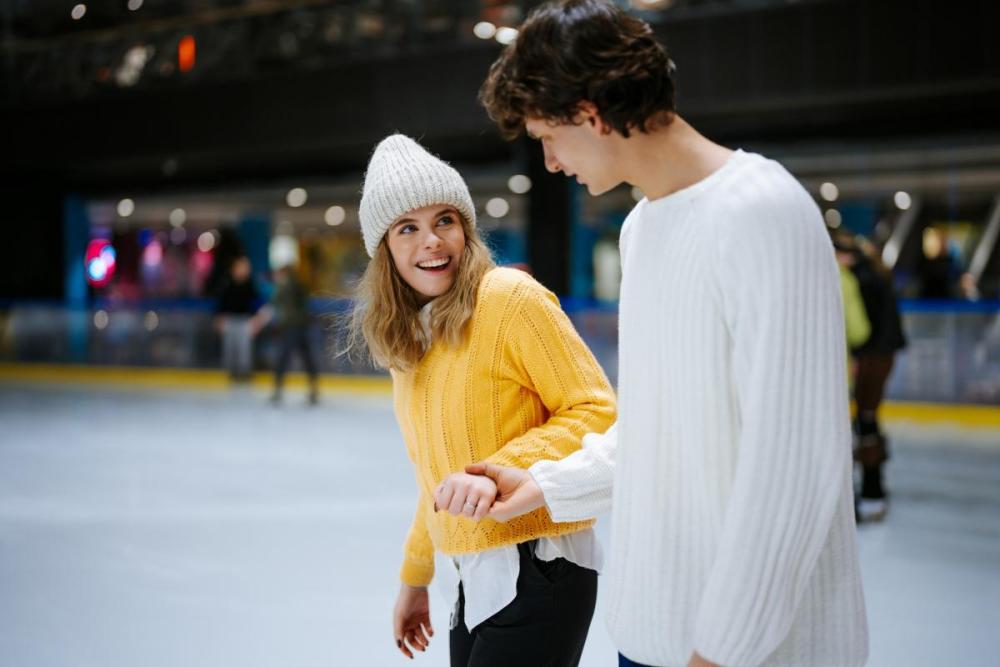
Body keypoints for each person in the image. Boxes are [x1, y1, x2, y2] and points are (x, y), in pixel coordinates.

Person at [454, 2, 870, 666]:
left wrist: (720, 649)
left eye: (546, 137)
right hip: (652, 634)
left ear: (590, 113)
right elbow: (660, 427)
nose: (551, 162)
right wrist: (548, 484)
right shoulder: (642, 229)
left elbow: (793, 471)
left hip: (750, 650)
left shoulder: (763, 211)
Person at [348, 134, 616, 665]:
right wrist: (415, 576)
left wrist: (496, 470)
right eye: (408, 228)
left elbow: (597, 411)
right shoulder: (411, 342)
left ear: (466, 227)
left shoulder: (508, 300)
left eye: (444, 220)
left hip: (542, 564)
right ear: (385, 249)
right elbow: (434, 476)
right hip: (467, 573)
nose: (432, 241)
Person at [833, 231, 907, 522]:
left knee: (864, 423)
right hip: (880, 355)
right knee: (867, 420)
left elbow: (860, 328)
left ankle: (871, 492)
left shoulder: (855, 278)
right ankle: (873, 490)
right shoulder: (871, 272)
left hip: (871, 357)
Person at [254, 264, 320, 405]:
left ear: (284, 274)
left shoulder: (286, 287)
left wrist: (259, 321)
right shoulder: (296, 286)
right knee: (306, 358)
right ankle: (312, 390)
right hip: (300, 327)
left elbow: (273, 305)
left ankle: (279, 390)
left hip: (292, 328)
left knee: (285, 358)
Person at [215, 255, 260, 381]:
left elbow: (257, 304)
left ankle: (244, 374)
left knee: (244, 350)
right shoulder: (226, 283)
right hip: (229, 320)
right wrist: (219, 319)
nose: (244, 269)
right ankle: (230, 373)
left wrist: (255, 320)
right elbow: (221, 303)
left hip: (245, 320)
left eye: (245, 267)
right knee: (230, 348)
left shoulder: (250, 284)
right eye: (241, 266)